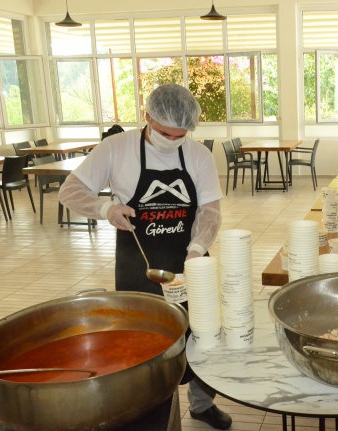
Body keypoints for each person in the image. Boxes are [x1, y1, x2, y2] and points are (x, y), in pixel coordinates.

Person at [59, 84, 231, 430]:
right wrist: (105, 207)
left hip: (190, 258)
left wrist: (197, 249)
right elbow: (70, 191)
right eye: (166, 133)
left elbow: (210, 212)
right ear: (147, 116)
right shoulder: (116, 148)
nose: (173, 140)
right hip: (139, 263)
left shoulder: (197, 155)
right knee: (149, 344)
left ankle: (201, 405)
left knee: (203, 334)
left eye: (181, 135)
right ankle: (157, 413)